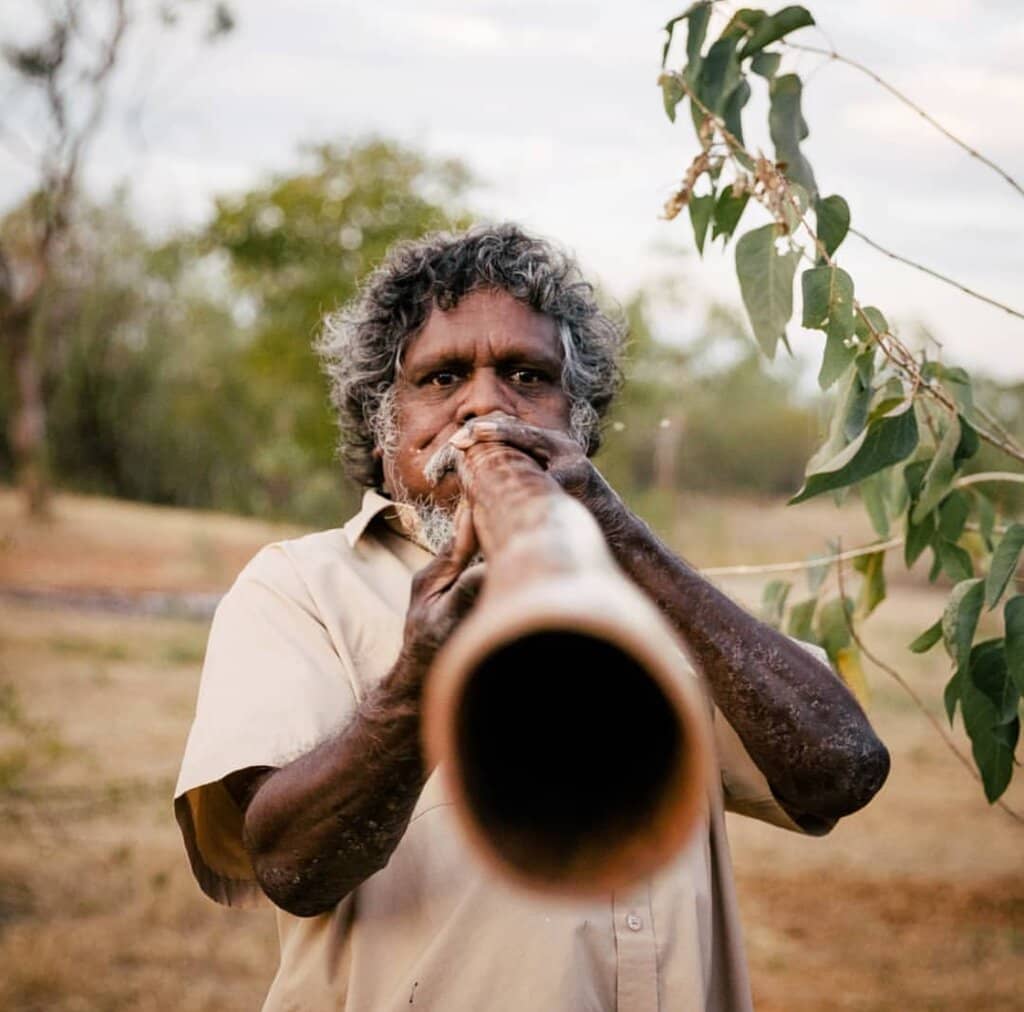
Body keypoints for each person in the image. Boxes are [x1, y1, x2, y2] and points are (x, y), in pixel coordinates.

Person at [175, 223, 889, 1011]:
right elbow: (291, 867)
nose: (486, 404)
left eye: (528, 375)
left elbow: (843, 770)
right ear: (385, 434)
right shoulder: (299, 587)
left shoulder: (652, 595)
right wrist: (415, 685)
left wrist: (626, 540)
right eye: (442, 378)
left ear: (576, 423)